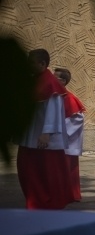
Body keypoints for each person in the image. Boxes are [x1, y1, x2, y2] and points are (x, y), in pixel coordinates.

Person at [17, 49, 73, 209]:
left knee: (43, 173)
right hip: (31, 134)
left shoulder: (50, 83)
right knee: (28, 171)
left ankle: (45, 204)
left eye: (32, 63)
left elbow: (53, 110)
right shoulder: (35, 79)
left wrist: (46, 133)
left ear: (42, 64)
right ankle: (34, 202)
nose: (29, 66)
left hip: (42, 138)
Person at [54, 67, 85, 202]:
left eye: (55, 77)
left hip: (66, 141)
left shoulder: (69, 98)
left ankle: (71, 194)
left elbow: (77, 119)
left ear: (63, 81)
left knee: (68, 169)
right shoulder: (55, 96)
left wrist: (59, 133)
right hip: (57, 140)